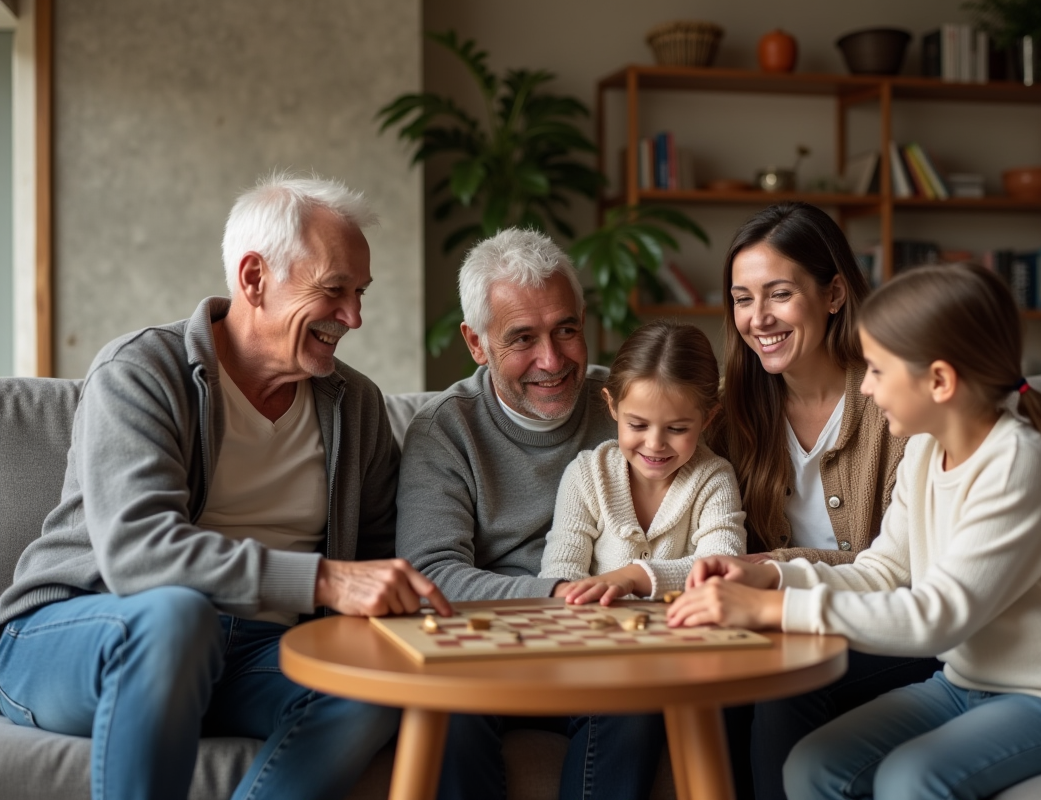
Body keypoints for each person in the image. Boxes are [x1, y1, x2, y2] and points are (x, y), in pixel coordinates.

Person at [0, 173, 452, 800]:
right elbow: (141, 556)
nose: (354, 317)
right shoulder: (141, 371)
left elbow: (377, 557)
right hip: (87, 634)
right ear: (253, 279)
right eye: (334, 291)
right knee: (176, 615)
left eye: (361, 293)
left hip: (254, 653)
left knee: (374, 685)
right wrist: (326, 580)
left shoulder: (356, 405)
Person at [669, 263, 1041, 800]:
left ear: (939, 381)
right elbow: (884, 570)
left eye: (876, 370)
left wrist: (770, 612)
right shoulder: (924, 449)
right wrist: (772, 580)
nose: (866, 388)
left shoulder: (1020, 464)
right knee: (811, 765)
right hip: (968, 684)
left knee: (910, 778)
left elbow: (938, 616)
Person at [396, 228, 664, 800]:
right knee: (443, 711)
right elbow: (430, 574)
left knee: (635, 705)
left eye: (566, 329)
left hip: (604, 647)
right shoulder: (446, 429)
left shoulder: (627, 413)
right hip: (485, 648)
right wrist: (559, 594)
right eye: (522, 338)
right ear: (476, 342)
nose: (552, 359)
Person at [711, 202, 940, 799]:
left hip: (893, 632)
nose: (757, 318)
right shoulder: (728, 407)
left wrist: (771, 569)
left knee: (784, 687)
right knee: (715, 682)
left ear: (834, 292)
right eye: (741, 298)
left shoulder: (895, 402)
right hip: (782, 626)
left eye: (778, 294)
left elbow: (900, 572)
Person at [540, 320, 746, 605]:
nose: (655, 444)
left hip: (685, 639)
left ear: (707, 418)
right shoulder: (586, 475)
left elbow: (723, 566)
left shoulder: (714, 479)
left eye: (677, 429)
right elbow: (560, 573)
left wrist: (633, 576)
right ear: (612, 405)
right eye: (637, 425)